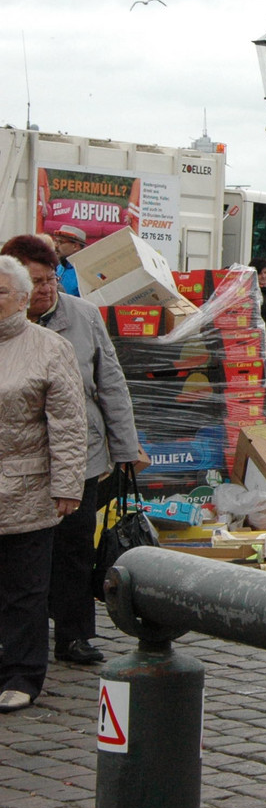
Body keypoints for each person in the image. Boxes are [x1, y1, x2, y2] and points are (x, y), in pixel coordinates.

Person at [1, 234, 146, 666]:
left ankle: (73, 635)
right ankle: (20, 637)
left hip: (80, 455)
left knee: (74, 550)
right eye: (34, 281)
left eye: (49, 279)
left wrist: (126, 448)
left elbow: (111, 384)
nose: (44, 289)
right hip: (19, 464)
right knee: (20, 559)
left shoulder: (82, 316)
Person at [0, 254, 88, 714]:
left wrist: (68, 484)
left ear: (20, 299)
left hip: (27, 488)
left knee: (25, 588)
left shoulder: (49, 348)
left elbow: (70, 424)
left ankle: (21, 674)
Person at [51, 226, 88, 297]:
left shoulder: (85, 273)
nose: (55, 246)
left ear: (75, 246)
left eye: (60, 242)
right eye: (56, 241)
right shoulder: (59, 267)